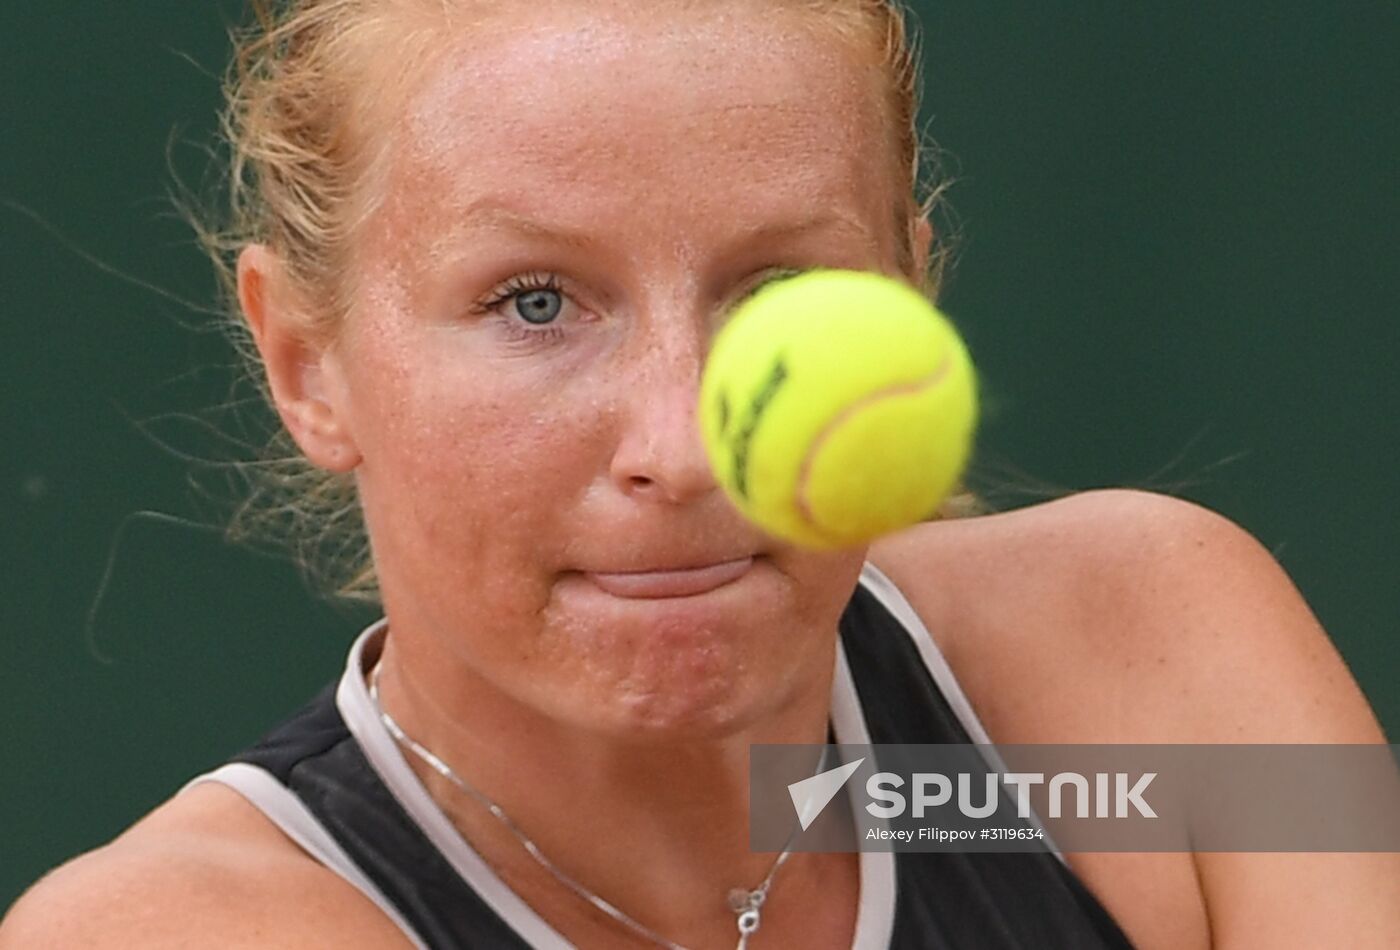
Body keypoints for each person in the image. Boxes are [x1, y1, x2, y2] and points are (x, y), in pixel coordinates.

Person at [3, 1, 1396, 947]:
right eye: (535, 300)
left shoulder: (1151, 675)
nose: (683, 443)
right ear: (308, 362)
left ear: (910, 294)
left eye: (782, 286)